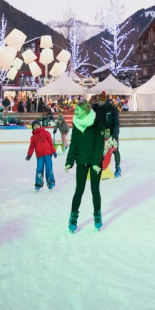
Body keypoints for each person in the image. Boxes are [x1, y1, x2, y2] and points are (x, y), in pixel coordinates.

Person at [65, 100, 104, 233]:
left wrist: (95, 162)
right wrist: (69, 161)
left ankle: (97, 216)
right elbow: (74, 143)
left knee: (95, 190)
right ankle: (73, 217)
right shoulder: (76, 123)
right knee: (79, 190)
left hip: (95, 162)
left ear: (85, 111)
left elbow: (100, 144)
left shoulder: (97, 122)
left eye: (77, 110)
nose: (75, 112)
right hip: (81, 160)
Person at [26, 119, 56, 191]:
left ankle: (51, 183)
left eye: (37, 125)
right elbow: (31, 147)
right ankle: (38, 183)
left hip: (48, 154)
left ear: (40, 125)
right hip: (39, 156)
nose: (36, 126)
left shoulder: (46, 133)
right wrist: (29, 155)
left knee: (49, 168)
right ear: (33, 128)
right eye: (35, 126)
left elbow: (51, 143)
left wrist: (54, 151)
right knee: (39, 169)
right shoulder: (33, 137)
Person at [96, 93, 121, 177]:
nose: (98, 102)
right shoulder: (98, 109)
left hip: (112, 133)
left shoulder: (112, 109)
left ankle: (118, 168)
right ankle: (101, 167)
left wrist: (114, 135)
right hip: (102, 134)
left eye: (99, 101)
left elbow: (116, 123)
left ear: (103, 101)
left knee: (115, 150)